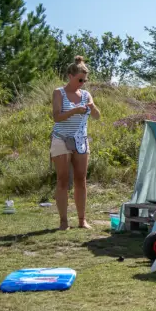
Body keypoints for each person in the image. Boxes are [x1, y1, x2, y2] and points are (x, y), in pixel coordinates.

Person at [51, 55, 100, 230]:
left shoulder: (86, 95)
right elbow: (56, 117)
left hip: (81, 140)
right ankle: (63, 221)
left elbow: (97, 116)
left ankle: (82, 220)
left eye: (85, 80)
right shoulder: (59, 92)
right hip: (61, 139)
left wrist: (92, 107)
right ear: (70, 76)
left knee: (81, 179)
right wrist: (74, 111)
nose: (82, 83)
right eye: (80, 79)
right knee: (63, 180)